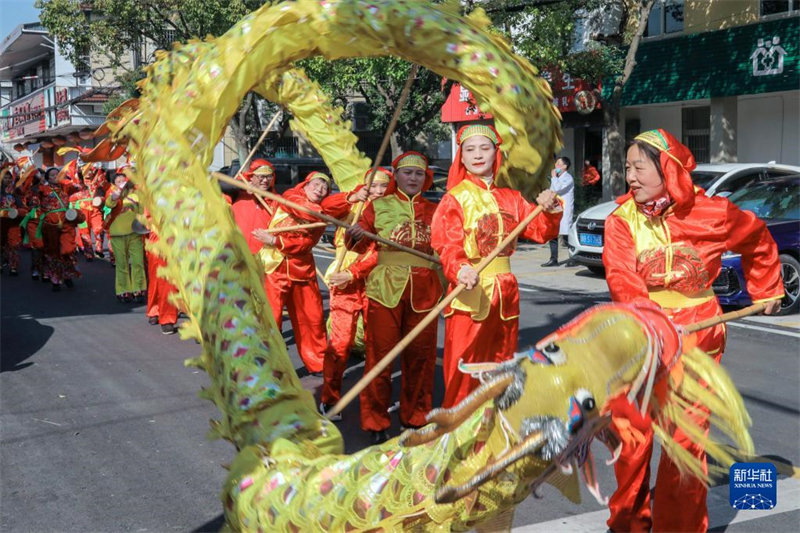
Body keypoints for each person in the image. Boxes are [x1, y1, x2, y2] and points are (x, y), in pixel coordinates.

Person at [602, 128, 783, 533]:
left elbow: (756, 236)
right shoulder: (621, 221)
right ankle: (629, 523)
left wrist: (768, 286)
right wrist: (654, 325)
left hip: (699, 338)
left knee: (684, 445)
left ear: (667, 168)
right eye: (627, 168)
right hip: (641, 338)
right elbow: (621, 278)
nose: (630, 176)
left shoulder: (713, 212)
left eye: (638, 167)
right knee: (632, 438)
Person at [431, 124, 562, 408]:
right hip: (470, 292)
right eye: (470, 149)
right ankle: (459, 433)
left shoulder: (511, 198)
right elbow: (446, 244)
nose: (478, 154)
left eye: (484, 148)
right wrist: (459, 268)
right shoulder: (455, 198)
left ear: (495, 154)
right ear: (461, 158)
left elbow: (541, 231)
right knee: (464, 368)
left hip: (505, 294)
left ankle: (494, 430)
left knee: (501, 366)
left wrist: (548, 208)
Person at [345, 152, 443, 444]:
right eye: (406, 173)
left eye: (418, 174)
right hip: (384, 290)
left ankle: (416, 416)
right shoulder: (378, 206)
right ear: (396, 175)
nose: (412, 178)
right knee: (379, 358)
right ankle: (375, 420)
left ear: (425, 179)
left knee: (421, 359)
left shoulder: (436, 209)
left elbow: (448, 246)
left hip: (425, 290)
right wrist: (357, 232)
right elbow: (354, 244)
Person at [317, 167, 392, 420]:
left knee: (377, 346)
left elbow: (380, 252)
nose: (378, 192)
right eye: (373, 186)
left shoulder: (391, 214)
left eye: (384, 186)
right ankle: (329, 398)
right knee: (339, 344)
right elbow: (326, 207)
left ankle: (374, 402)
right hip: (344, 284)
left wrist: (354, 272)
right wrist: (351, 197)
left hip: (378, 284)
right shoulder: (352, 207)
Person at [252, 171, 331, 375]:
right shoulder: (290, 197)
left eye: (325, 188)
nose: (320, 189)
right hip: (274, 268)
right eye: (316, 184)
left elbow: (306, 243)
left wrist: (276, 241)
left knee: (312, 319)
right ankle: (270, 364)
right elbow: (304, 210)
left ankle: (318, 362)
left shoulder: (321, 215)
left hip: (302, 270)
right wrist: (324, 213)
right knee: (271, 318)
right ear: (304, 185)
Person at [105, 169, 146, 303]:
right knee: (122, 264)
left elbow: (142, 212)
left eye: (124, 180)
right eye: (118, 181)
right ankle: (123, 290)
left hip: (135, 233)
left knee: (138, 262)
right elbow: (109, 204)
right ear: (114, 183)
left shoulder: (136, 194)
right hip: (117, 234)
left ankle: (138, 289)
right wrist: (117, 193)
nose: (122, 183)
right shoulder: (112, 194)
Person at [229, 159, 276, 254]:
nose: (265, 180)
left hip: (261, 255)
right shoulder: (237, 194)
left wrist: (273, 240)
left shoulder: (276, 200)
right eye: (261, 177)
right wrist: (242, 186)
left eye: (269, 177)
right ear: (251, 177)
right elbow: (217, 184)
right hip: (235, 251)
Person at [541, 156, 574, 267]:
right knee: (553, 234)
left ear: (565, 166)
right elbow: (552, 191)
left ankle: (573, 258)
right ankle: (553, 259)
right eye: (556, 164)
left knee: (566, 236)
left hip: (564, 209)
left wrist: (554, 177)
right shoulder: (557, 178)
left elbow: (557, 189)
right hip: (555, 209)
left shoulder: (568, 178)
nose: (556, 166)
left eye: (559, 164)